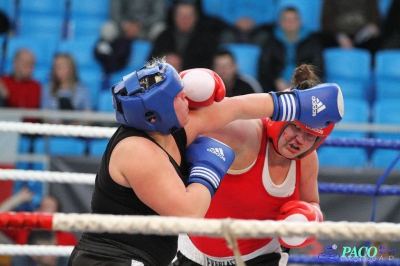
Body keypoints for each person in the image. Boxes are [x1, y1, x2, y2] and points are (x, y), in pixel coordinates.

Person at [67, 58, 343, 265]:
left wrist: (292, 103)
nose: (189, 98)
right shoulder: (138, 151)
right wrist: (207, 168)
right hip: (112, 259)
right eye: (179, 96)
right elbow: (189, 213)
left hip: (148, 258)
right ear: (158, 112)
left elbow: (236, 108)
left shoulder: (174, 131)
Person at [175, 64, 335, 266]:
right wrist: (194, 93)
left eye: (310, 136)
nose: (299, 139)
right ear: (280, 118)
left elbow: (311, 201)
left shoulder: (307, 161)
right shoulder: (247, 135)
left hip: (261, 257)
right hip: (195, 254)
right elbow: (200, 119)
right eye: (295, 127)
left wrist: (309, 217)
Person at [258, 7, 324, 93]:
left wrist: (301, 83)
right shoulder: (270, 42)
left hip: (305, 89)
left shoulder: (312, 42)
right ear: (280, 22)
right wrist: (276, 80)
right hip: (275, 89)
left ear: (300, 21)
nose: (289, 23)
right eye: (286, 20)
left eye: (293, 20)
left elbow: (318, 68)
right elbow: (264, 67)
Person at [150, 2, 220, 70]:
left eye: (189, 16)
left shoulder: (207, 39)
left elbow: (210, 66)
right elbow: (150, 64)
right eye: (181, 15)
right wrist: (164, 61)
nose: (185, 19)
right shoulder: (164, 36)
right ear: (174, 17)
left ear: (196, 18)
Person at [0, 193, 78, 246]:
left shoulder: (67, 238)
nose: (42, 210)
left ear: (57, 214)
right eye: (40, 206)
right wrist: (19, 198)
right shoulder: (24, 230)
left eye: (47, 207)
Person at [0, 48, 41, 117]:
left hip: (31, 126)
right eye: (26, 63)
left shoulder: (36, 87)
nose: (29, 67)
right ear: (15, 63)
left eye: (32, 64)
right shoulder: (3, 83)